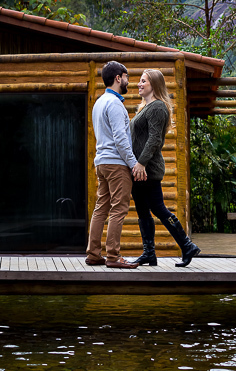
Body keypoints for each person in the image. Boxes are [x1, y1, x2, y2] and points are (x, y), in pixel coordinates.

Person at [129, 69, 200, 267]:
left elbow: (154, 139)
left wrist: (141, 163)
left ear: (154, 84)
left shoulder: (158, 107)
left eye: (143, 81)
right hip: (138, 169)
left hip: (147, 169)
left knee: (158, 208)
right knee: (143, 211)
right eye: (140, 81)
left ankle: (187, 245)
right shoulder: (145, 107)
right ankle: (149, 253)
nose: (139, 84)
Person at [86, 61, 146, 268]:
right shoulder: (114, 104)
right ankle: (113, 256)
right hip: (116, 164)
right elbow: (120, 139)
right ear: (118, 78)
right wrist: (133, 164)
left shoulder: (99, 102)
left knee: (101, 208)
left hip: (102, 163)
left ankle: (93, 254)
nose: (129, 81)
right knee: (118, 209)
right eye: (127, 77)